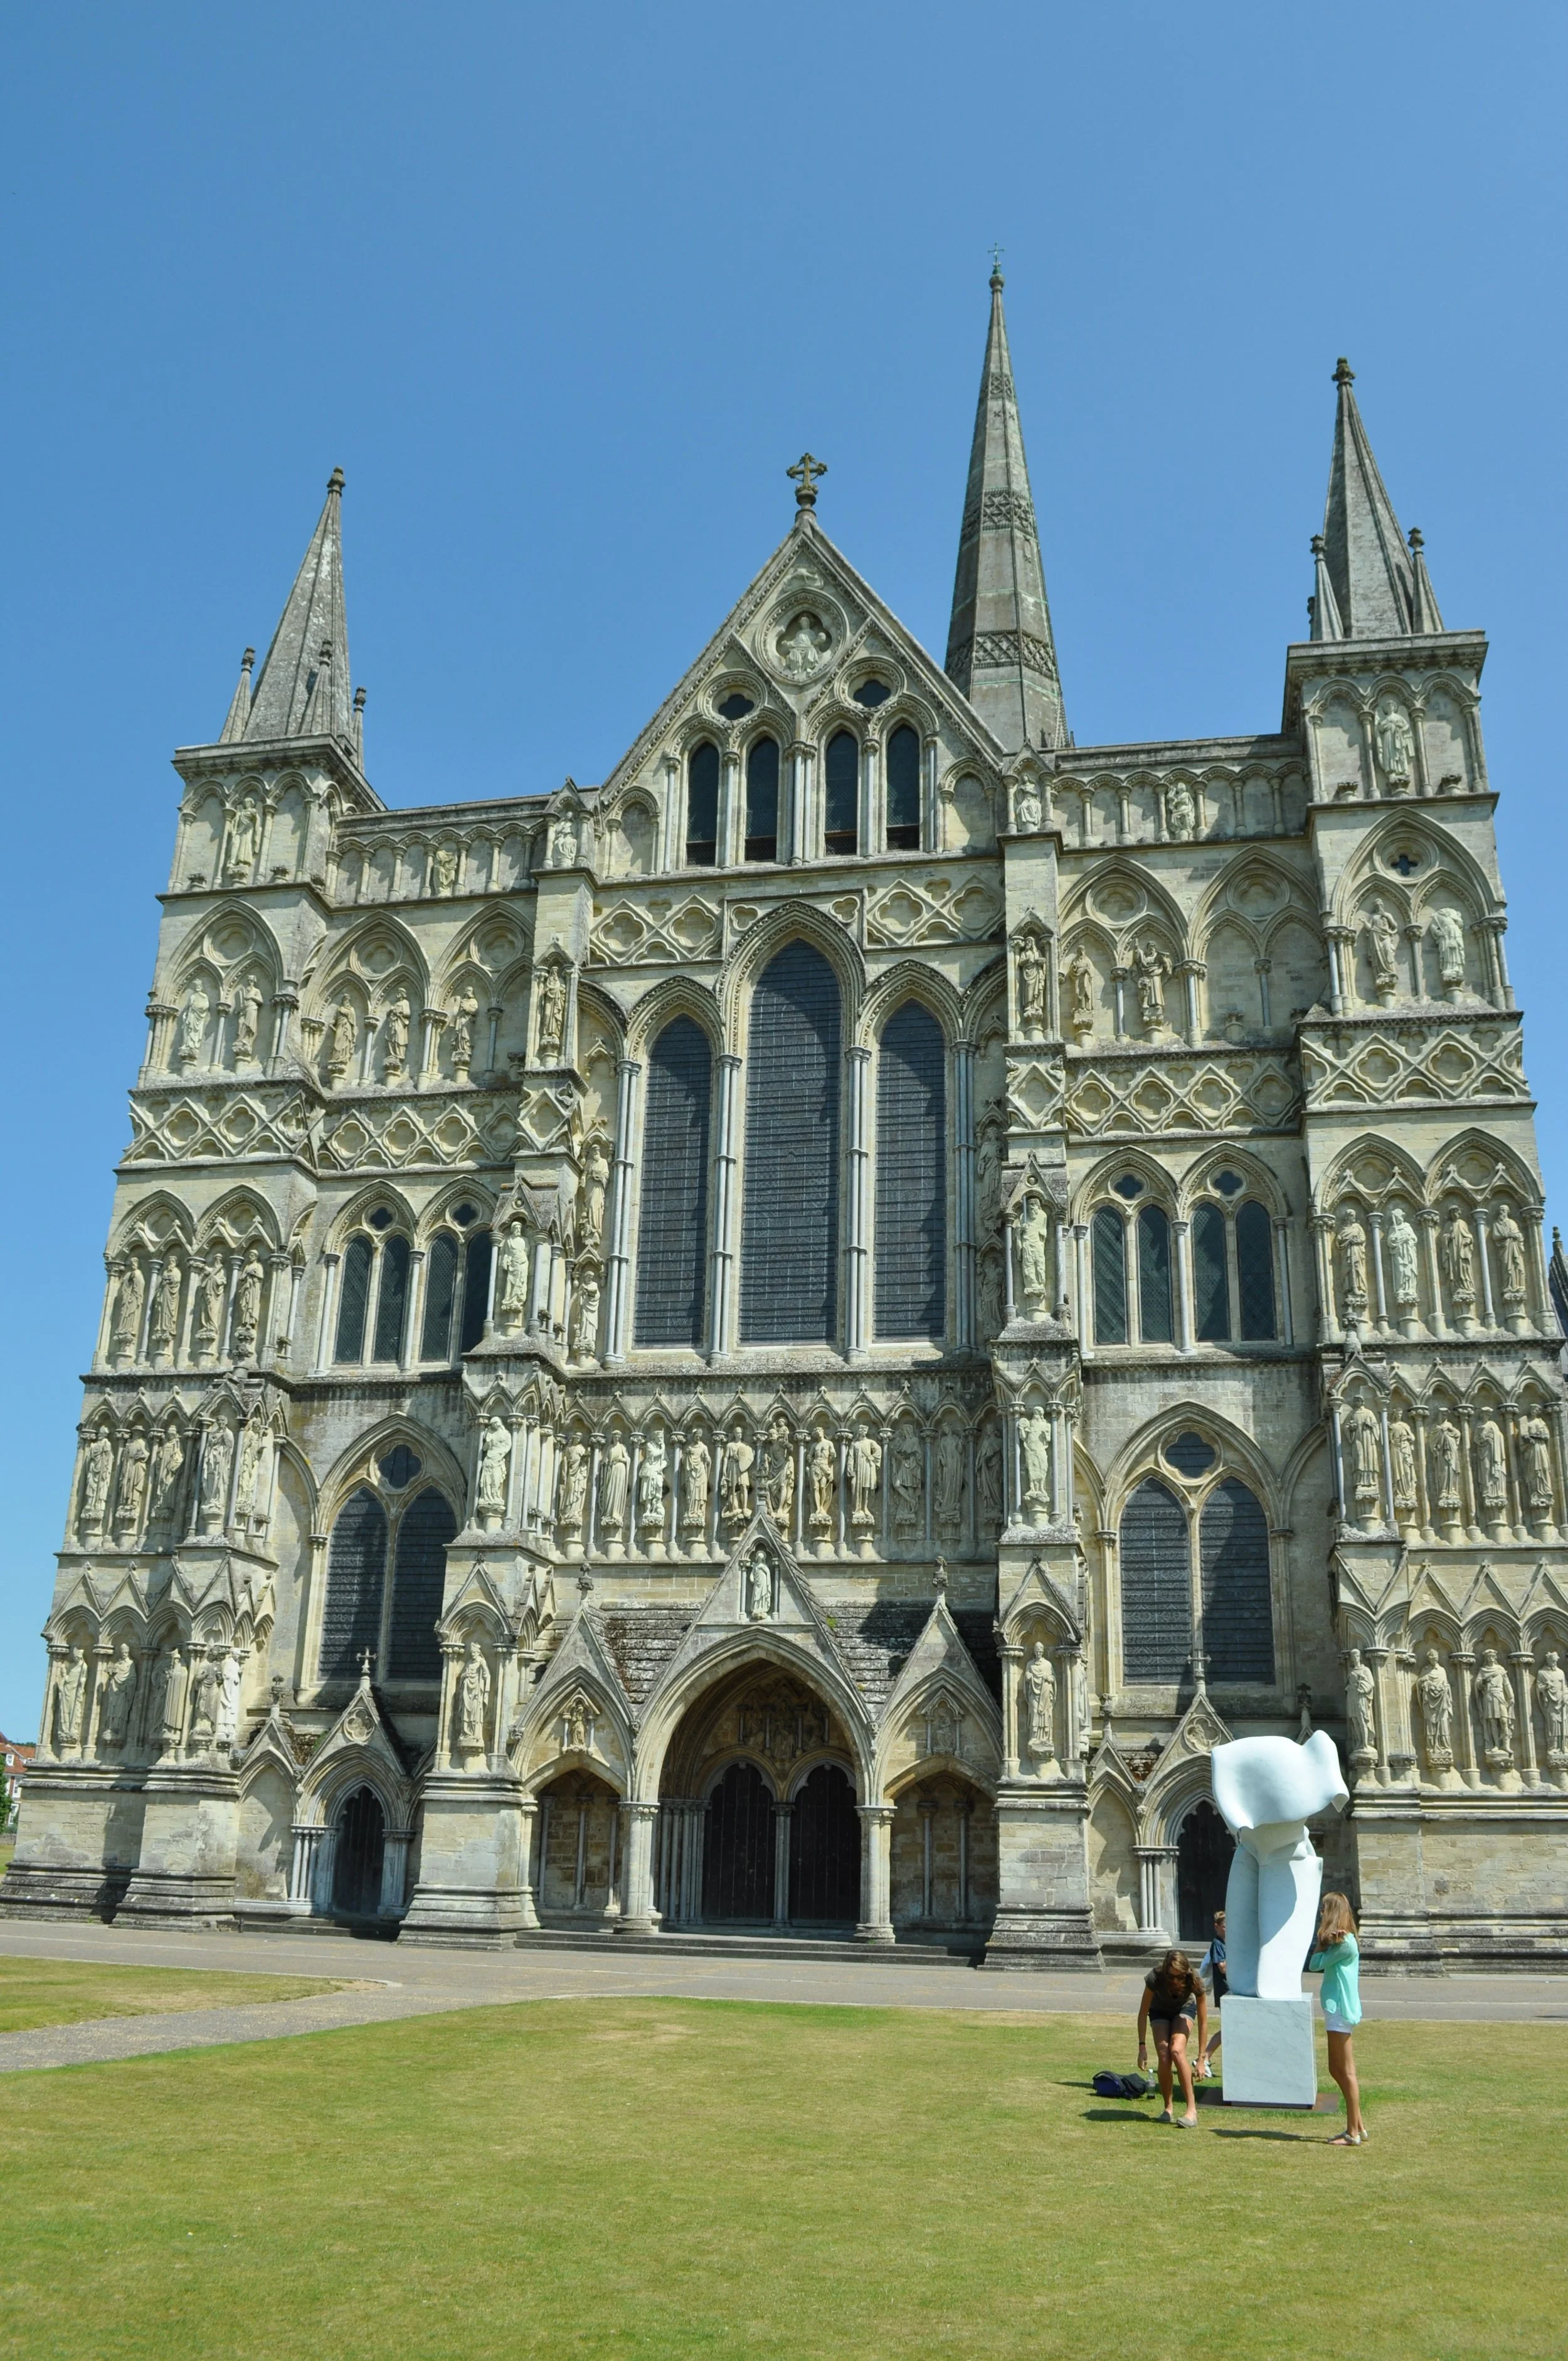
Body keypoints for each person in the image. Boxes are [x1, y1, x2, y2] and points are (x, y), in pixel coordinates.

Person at [1310, 1890, 1367, 2146]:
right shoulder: (1343, 1942)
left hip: (1340, 2009)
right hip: (1339, 2009)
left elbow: (1314, 1964)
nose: (1321, 1913)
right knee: (1341, 2070)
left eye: (1325, 1909)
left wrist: (1322, 1943)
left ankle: (1352, 2132)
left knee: (1344, 2071)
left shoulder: (1345, 1944)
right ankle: (1358, 2124)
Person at [1136, 1948, 1209, 2127]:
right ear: (1165, 1971)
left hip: (1184, 2009)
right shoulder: (1156, 1977)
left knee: (1176, 2050)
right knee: (1164, 2054)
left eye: (1180, 1977)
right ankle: (1168, 2108)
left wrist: (1201, 2059)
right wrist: (1142, 2048)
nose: (1176, 1981)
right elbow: (1143, 2012)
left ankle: (1192, 2111)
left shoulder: (1194, 1981)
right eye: (1171, 1977)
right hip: (1159, 2010)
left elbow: (1204, 2021)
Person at [1195, 1909, 1227, 2078]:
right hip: (1225, 1991)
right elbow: (1222, 1968)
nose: (1228, 1930)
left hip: (1231, 1990)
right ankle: (1204, 2058)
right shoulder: (1217, 1944)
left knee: (1230, 2028)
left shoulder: (1228, 1943)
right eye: (1224, 1927)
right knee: (1229, 2028)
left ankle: (1205, 2058)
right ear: (1217, 1927)